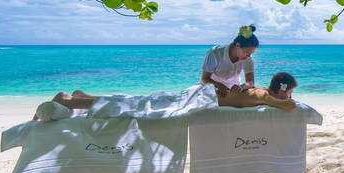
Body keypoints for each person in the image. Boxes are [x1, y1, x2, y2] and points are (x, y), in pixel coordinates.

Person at [51, 72, 299, 112]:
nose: (290, 96)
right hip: (199, 98)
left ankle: (83, 96)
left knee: (142, 101)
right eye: (289, 92)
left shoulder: (261, 89)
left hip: (199, 95)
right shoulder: (266, 96)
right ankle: (69, 101)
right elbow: (290, 107)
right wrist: (286, 99)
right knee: (141, 106)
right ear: (283, 90)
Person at [200, 25, 258, 98]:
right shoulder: (215, 53)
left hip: (235, 90)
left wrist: (242, 87)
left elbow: (251, 82)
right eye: (247, 53)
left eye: (251, 54)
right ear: (237, 45)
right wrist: (218, 85)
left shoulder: (248, 58)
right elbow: (204, 79)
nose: (249, 56)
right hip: (213, 89)